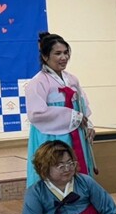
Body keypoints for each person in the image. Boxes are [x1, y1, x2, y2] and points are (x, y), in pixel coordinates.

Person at [25, 31, 95, 187]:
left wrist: (88, 124)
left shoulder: (72, 79)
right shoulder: (38, 82)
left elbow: (82, 105)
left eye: (65, 53)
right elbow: (37, 114)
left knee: (76, 167)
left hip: (75, 134)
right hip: (51, 137)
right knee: (54, 170)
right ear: (45, 56)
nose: (63, 57)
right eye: (57, 53)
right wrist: (73, 116)